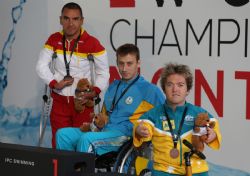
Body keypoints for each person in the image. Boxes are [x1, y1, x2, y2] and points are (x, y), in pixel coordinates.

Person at [56, 43, 165, 156]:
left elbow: (165, 116)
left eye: (129, 64)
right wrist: (94, 123)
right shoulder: (113, 86)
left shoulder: (150, 90)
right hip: (104, 130)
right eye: (121, 63)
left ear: (138, 63)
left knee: (87, 139)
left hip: (125, 136)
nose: (124, 68)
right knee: (63, 135)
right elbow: (104, 116)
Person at [36, 2, 109, 148]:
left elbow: (103, 73)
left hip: (82, 103)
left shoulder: (92, 43)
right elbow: (41, 65)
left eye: (75, 19)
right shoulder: (53, 40)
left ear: (82, 20)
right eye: (67, 18)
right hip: (59, 101)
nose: (71, 23)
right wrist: (54, 83)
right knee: (59, 144)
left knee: (82, 143)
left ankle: (80, 171)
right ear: (60, 19)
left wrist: (94, 92)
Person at [134, 63, 222, 176]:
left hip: (195, 169)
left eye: (180, 85)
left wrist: (212, 135)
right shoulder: (154, 114)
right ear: (164, 89)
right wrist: (139, 130)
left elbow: (213, 127)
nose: (175, 89)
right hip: (163, 170)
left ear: (188, 90)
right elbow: (141, 126)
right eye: (170, 85)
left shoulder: (198, 113)